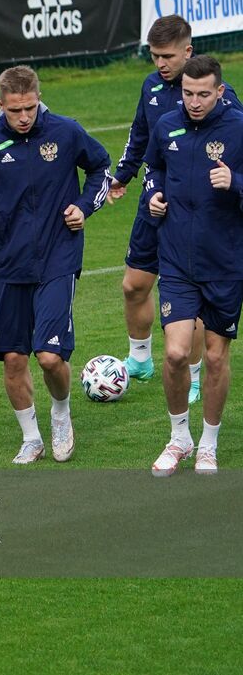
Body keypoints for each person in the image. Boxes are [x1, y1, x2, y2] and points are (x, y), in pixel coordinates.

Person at [0, 65, 111, 464]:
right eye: (15, 110)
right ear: (0, 105)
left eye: (30, 108)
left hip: (59, 257)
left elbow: (100, 169)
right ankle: (31, 438)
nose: (24, 117)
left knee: (50, 357)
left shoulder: (66, 131)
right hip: (10, 263)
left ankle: (60, 414)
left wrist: (84, 207)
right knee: (12, 357)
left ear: (38, 99)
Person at [109, 15, 237, 403]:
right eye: (154, 55)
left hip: (203, 220)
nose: (160, 63)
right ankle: (140, 358)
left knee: (192, 300)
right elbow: (141, 135)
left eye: (167, 56)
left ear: (188, 51)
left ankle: (194, 376)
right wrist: (125, 176)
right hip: (159, 203)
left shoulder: (221, 100)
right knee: (133, 284)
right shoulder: (151, 87)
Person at [143, 54, 243, 475]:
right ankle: (179, 436)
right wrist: (154, 195)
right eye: (187, 93)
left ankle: (208, 443)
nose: (194, 102)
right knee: (176, 353)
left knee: (217, 358)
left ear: (220, 91)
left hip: (225, 264)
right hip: (178, 261)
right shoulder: (167, 125)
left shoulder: (239, 127)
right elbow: (154, 169)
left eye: (204, 94)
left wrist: (235, 183)